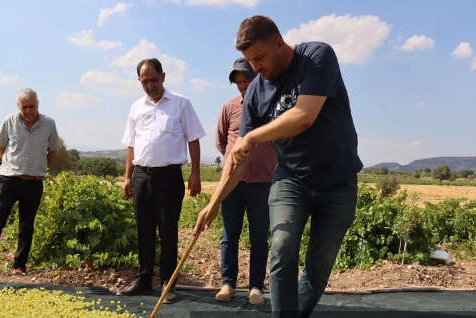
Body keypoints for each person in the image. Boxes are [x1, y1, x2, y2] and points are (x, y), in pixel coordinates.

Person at [193, 15, 363, 317]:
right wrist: (214, 202)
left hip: (339, 181)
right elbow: (239, 159)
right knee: (283, 249)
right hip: (291, 180)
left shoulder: (316, 56)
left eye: (259, 57)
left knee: (318, 266)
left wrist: (253, 136)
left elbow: (303, 116)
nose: (256, 68)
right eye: (250, 60)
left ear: (279, 43)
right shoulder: (256, 93)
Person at [116, 58, 206, 304]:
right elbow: (131, 145)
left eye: (154, 80)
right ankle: (144, 279)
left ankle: (168, 283)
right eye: (144, 81)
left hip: (169, 177)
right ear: (139, 82)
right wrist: (127, 177)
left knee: (168, 231)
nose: (150, 85)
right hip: (142, 176)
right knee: (143, 230)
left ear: (163, 77)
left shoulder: (181, 103)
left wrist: (195, 173)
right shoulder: (136, 108)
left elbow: (194, 139)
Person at [0, 88, 61, 276]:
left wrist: (39, 167)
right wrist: (11, 166)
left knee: (26, 224)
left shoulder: (49, 124)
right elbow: (1, 146)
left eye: (32, 106)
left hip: (34, 182)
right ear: (18, 106)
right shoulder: (9, 121)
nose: (29, 110)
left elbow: (53, 150)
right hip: (8, 181)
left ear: (38, 104)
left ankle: (19, 266)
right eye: (24, 107)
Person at [212, 57, 277, 305]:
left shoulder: (272, 107)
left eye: (246, 80)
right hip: (232, 185)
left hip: (263, 183)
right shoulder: (229, 108)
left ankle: (256, 287)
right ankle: (228, 283)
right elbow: (221, 143)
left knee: (259, 237)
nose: (242, 85)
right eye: (238, 82)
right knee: (230, 235)